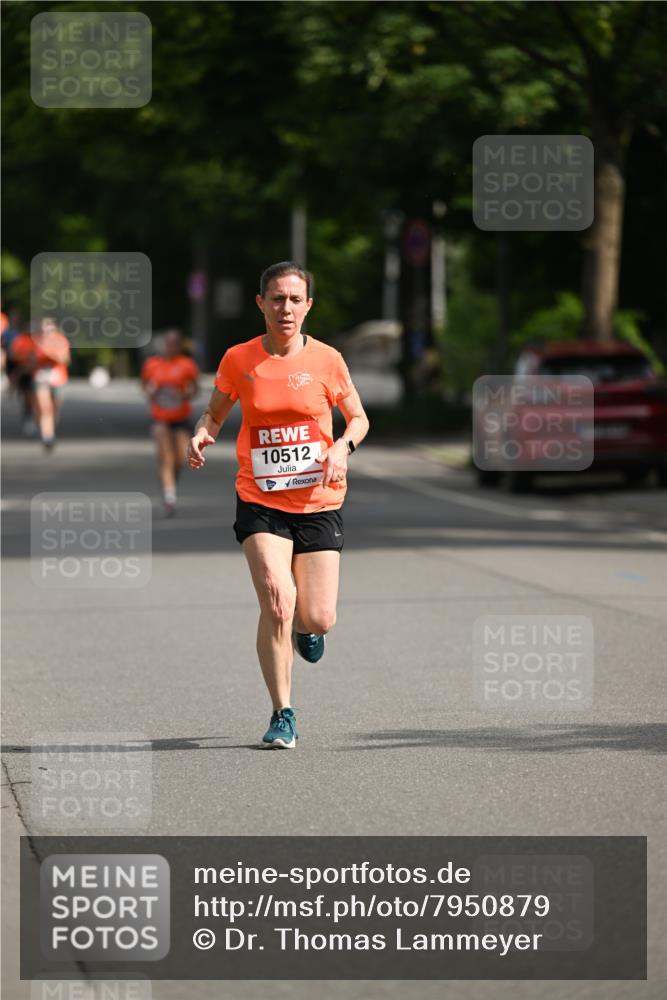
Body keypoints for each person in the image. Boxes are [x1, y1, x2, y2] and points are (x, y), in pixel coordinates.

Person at [188, 261, 369, 749]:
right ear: (261, 304)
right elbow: (216, 411)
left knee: (317, 617)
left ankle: (308, 630)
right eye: (276, 298)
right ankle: (282, 713)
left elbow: (358, 419)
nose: (285, 308)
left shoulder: (328, 360)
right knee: (276, 597)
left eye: (295, 299)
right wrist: (204, 433)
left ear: (308, 306)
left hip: (318, 501)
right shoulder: (239, 359)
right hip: (260, 499)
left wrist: (340, 448)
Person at [141, 329, 200, 516]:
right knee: (166, 457)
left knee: (180, 459)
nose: (170, 347)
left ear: (179, 345)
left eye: (174, 343)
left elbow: (195, 389)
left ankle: (169, 483)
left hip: (181, 417)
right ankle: (169, 497)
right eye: (168, 343)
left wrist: (183, 395)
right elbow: (144, 384)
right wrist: (150, 393)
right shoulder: (152, 364)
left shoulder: (187, 365)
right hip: (160, 418)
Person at [10, 318, 71, 449]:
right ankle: (47, 437)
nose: (45, 333)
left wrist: (49, 353)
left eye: (49, 330)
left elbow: (65, 360)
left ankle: (50, 427)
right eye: (43, 330)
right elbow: (28, 362)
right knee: (45, 408)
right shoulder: (35, 342)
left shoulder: (60, 341)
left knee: (55, 406)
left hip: (57, 378)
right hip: (40, 377)